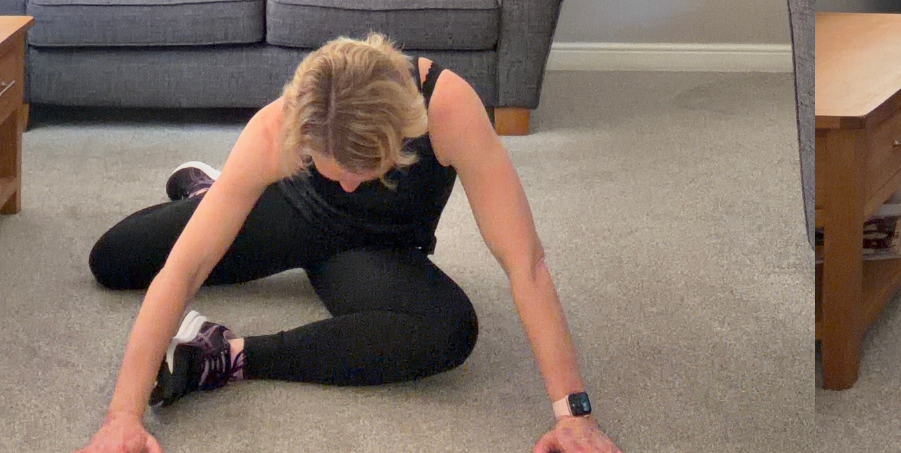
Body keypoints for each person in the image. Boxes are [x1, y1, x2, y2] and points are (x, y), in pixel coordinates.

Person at [76, 33, 622, 453]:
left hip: (376, 251)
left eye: (368, 172)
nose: (350, 186)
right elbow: (184, 270)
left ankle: (220, 355)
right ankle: (218, 193)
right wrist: (121, 415)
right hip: (292, 211)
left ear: (404, 132)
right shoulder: (281, 127)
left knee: (447, 331)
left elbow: (525, 264)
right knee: (115, 260)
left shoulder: (449, 110)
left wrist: (573, 412)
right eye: (333, 169)